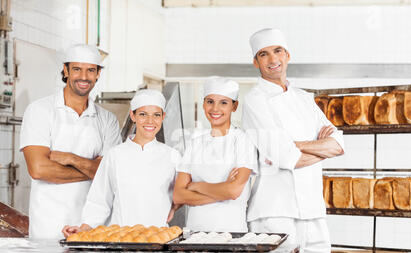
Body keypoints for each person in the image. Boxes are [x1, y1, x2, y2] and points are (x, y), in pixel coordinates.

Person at [241, 28, 345, 253]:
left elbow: (338, 144)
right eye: (263, 54)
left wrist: (294, 146)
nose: (272, 58)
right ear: (256, 62)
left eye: (277, 51)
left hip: (313, 211)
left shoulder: (304, 99)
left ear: (287, 55)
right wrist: (309, 149)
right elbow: (287, 158)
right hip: (275, 213)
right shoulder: (254, 101)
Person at [20, 44, 121, 239]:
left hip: (93, 226)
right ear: (66, 70)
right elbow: (39, 169)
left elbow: (111, 173)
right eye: (77, 69)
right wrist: (93, 169)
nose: (84, 77)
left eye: (91, 70)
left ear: (98, 74)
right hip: (48, 226)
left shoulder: (107, 119)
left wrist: (71, 158)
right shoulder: (40, 110)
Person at [62, 89, 181, 237]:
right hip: (120, 238)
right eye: (143, 114)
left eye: (156, 115)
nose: (150, 121)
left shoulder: (172, 156)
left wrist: (174, 206)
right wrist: (84, 228)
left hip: (158, 239)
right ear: (133, 115)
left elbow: (182, 192)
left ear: (163, 117)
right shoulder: (115, 155)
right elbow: (99, 199)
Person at [173, 77, 258, 232]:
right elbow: (179, 195)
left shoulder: (243, 140)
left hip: (231, 232)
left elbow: (233, 191)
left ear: (235, 106)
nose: (215, 109)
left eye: (223, 103)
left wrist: (195, 186)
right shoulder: (195, 142)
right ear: (204, 104)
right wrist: (222, 191)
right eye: (210, 101)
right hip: (194, 233)